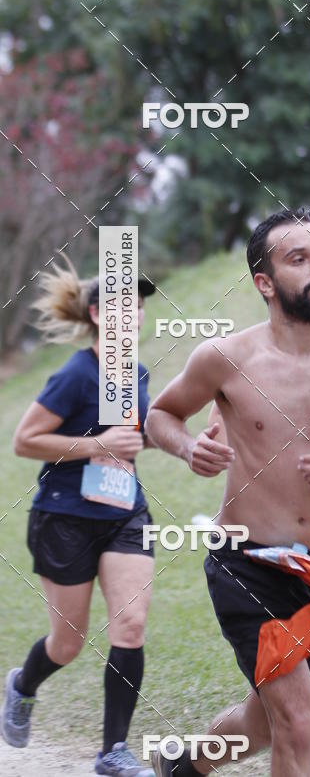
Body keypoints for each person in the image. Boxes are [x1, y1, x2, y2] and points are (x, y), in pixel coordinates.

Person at [144, 208, 310, 777]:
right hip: (249, 564)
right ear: (264, 283)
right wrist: (188, 448)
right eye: (299, 259)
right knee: (296, 725)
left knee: (266, 724)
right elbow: (160, 415)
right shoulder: (224, 358)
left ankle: (183, 767)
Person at [1, 256, 156, 777]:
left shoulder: (135, 374)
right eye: (121, 304)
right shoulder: (75, 373)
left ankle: (113, 751)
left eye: (137, 305)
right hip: (64, 517)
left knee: (130, 624)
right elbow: (26, 440)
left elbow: (136, 438)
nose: (133, 313)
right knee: (68, 642)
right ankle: (23, 685)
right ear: (96, 313)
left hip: (123, 513)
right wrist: (95, 444)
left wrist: (191, 441)